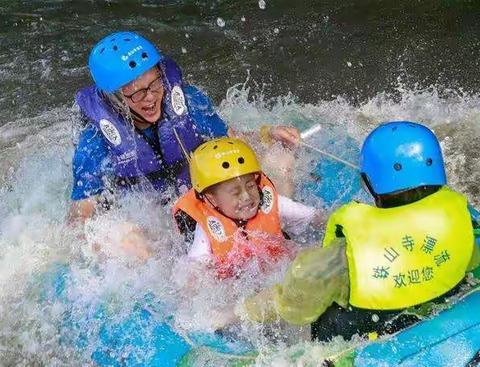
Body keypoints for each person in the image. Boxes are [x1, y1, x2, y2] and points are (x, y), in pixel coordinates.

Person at [241, 121, 480, 340]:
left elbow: (294, 308)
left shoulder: (344, 254)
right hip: (444, 303)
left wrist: (244, 309)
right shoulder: (461, 213)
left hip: (369, 333)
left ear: (367, 184)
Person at [68, 31, 301, 225]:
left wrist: (268, 135)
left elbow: (232, 140)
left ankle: (281, 232)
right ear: (115, 98)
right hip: (147, 219)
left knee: (281, 159)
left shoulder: (188, 103)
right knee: (121, 237)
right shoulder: (94, 143)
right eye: (137, 93)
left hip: (197, 196)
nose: (150, 98)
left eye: (155, 83)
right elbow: (81, 217)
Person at [173, 137, 325, 278]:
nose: (246, 196)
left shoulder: (272, 203)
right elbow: (194, 273)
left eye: (251, 186)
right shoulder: (206, 229)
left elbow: (316, 218)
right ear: (212, 198)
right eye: (235, 192)